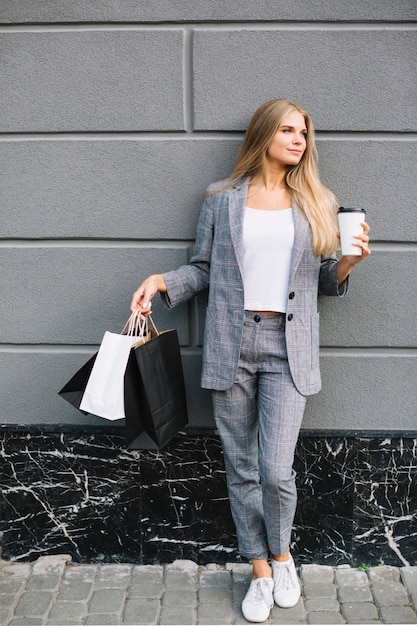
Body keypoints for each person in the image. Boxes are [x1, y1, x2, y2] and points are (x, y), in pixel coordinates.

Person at [130, 99, 370, 623]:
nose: (297, 140)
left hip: (288, 349)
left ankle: (283, 554)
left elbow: (325, 282)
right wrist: (162, 282)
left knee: (275, 470)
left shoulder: (317, 201)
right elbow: (202, 268)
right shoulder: (221, 200)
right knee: (240, 467)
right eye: (287, 130)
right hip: (230, 346)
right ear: (263, 134)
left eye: (303, 132)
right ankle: (260, 569)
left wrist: (347, 262)